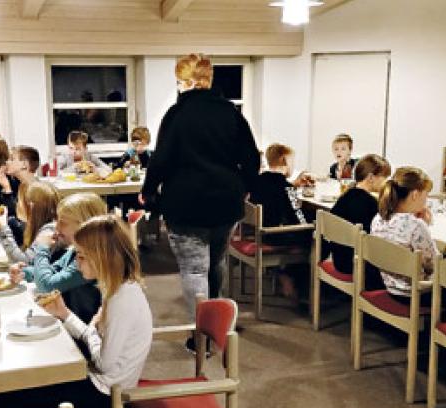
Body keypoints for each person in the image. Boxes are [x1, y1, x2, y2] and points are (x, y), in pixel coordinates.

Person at [141, 53, 260, 347]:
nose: (177, 86)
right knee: (216, 263)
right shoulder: (231, 113)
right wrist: (245, 186)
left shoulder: (176, 115)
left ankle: (202, 337)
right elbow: (251, 156)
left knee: (194, 270)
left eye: (179, 81)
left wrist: (148, 190)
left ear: (188, 81)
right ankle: (217, 322)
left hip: (186, 205)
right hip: (226, 204)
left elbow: (161, 159)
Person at [0, 215, 151, 408]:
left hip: (105, 393)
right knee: (20, 385)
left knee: (11, 398)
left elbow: (104, 364)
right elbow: (93, 339)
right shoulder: (116, 288)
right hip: (97, 379)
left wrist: (92, 330)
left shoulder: (122, 299)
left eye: (81, 256)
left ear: (102, 258)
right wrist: (64, 314)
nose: (76, 262)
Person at [13, 192, 107, 324]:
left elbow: (47, 286)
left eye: (62, 222)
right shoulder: (73, 250)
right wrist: (24, 272)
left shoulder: (90, 259)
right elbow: (53, 271)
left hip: (81, 329)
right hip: (68, 322)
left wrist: (42, 248)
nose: (56, 227)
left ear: (83, 225)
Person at [248, 143, 313, 299]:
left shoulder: (257, 180)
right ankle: (289, 275)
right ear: (285, 160)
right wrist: (313, 223)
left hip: (258, 232)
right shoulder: (285, 187)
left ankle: (282, 271)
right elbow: (298, 218)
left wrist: (293, 186)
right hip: (275, 235)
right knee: (313, 235)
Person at [370, 167, 438, 303]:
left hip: (389, 285)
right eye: (426, 195)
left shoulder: (378, 218)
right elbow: (435, 265)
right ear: (415, 195)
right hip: (415, 293)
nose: (426, 200)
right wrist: (426, 226)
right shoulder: (416, 225)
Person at [328, 154, 391, 283]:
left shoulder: (346, 196)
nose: (386, 182)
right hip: (358, 265)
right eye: (385, 177)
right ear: (371, 177)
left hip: (339, 260)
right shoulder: (370, 204)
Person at [0, 180, 60, 264]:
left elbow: (24, 262)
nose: (16, 204)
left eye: (19, 200)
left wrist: (1, 228)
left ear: (31, 207)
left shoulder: (49, 231)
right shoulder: (37, 225)